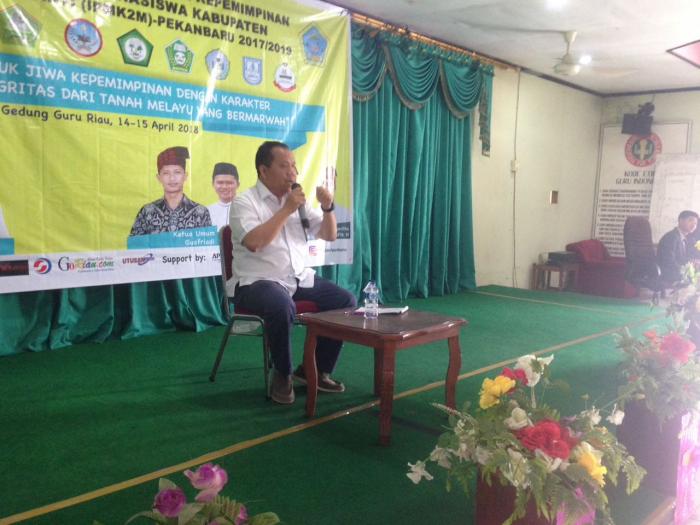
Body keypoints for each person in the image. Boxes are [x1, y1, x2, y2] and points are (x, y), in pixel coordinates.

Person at [228, 141, 356, 405]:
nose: (292, 173)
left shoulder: (298, 202)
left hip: (297, 278)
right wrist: (286, 209)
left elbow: (329, 234)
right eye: (284, 166)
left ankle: (314, 370)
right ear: (264, 171)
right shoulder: (244, 202)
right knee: (280, 304)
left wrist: (327, 207)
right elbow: (254, 242)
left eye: (294, 166)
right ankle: (282, 374)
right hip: (256, 282)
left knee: (345, 301)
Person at [130, 146, 211, 236]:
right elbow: (135, 243)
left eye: (177, 172)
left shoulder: (200, 212)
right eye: (166, 173)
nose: (172, 178)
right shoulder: (147, 211)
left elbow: (207, 243)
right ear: (159, 178)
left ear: (185, 176)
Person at [657, 209, 699, 286]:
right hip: (669, 273)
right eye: (690, 220)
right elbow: (668, 261)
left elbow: (681, 258)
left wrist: (692, 261)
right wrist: (686, 271)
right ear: (680, 221)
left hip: (677, 271)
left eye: (696, 223)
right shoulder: (671, 237)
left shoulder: (683, 238)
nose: (693, 225)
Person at [207, 162, 239, 229]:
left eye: (229, 183)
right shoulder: (206, 212)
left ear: (238, 184)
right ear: (213, 184)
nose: (224, 187)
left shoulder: (248, 209)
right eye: (220, 183)